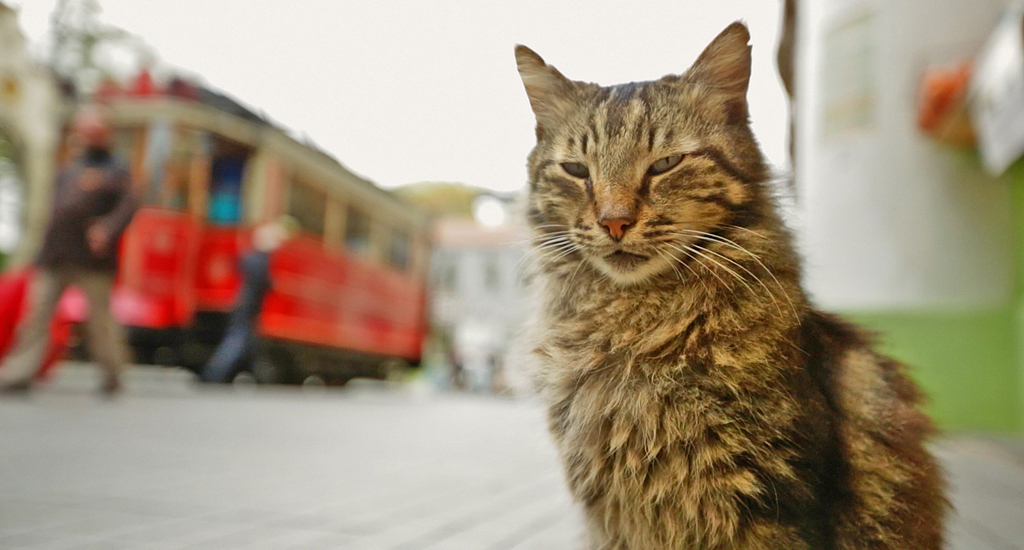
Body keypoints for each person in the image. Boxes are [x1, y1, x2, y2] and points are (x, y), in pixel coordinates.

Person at [0, 105, 138, 395]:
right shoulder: (70, 167)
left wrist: (107, 229)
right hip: (55, 253)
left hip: (91, 257)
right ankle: (18, 373)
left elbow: (128, 205)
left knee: (99, 320)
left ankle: (113, 373)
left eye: (94, 130)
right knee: (36, 316)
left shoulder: (115, 169)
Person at [200, 218, 296, 383]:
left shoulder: (252, 257)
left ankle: (259, 376)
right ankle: (213, 374)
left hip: (248, 307)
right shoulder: (259, 259)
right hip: (247, 307)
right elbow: (262, 281)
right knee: (236, 342)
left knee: (249, 344)